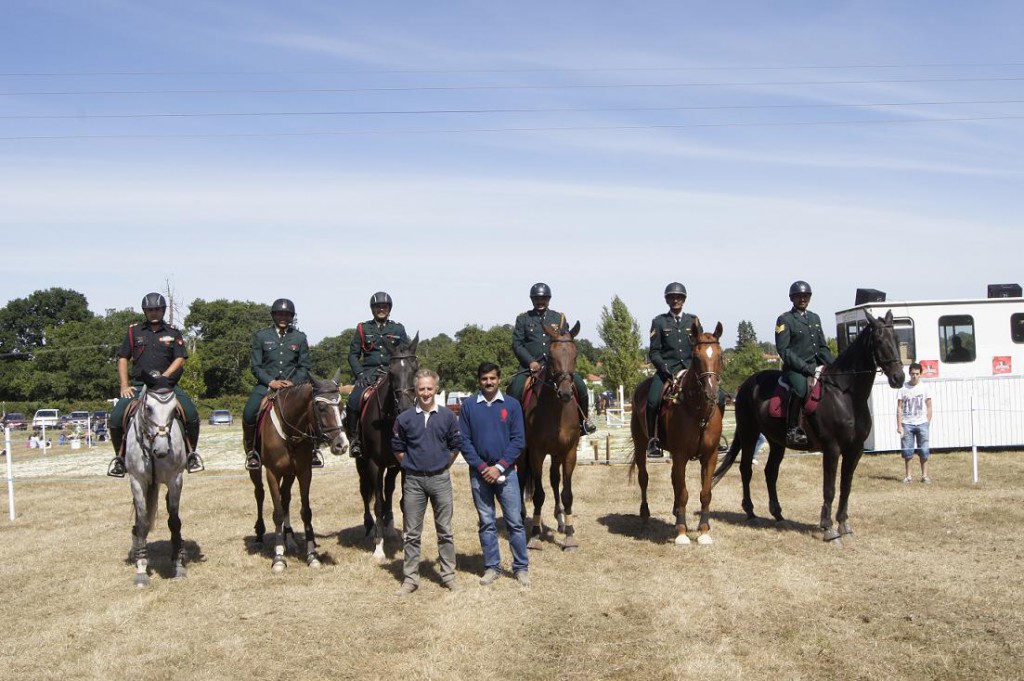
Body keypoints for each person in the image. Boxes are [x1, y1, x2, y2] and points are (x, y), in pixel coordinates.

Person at [107, 292, 202, 477]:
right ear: (145, 311)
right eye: (150, 310)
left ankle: (191, 455)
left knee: (191, 413)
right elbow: (122, 358)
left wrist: (164, 377)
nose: (154, 313)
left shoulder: (173, 332)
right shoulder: (134, 332)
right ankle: (119, 459)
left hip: (167, 386)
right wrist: (124, 386)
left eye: (157, 309)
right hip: (138, 385)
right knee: (117, 416)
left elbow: (180, 359)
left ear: (163, 310)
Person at [390, 369, 462, 595]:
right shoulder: (404, 419)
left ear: (436, 389)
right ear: (415, 391)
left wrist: (442, 466)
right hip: (413, 482)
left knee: (445, 531)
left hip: (440, 479)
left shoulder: (448, 416)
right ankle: (410, 578)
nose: (426, 393)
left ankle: (448, 575)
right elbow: (397, 448)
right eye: (421, 389)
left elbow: (455, 446)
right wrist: (411, 465)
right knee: (411, 533)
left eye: (429, 388)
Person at [459, 362, 529, 588]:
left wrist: (499, 467)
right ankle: (492, 567)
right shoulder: (469, 406)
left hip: (506, 473)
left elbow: (518, 440)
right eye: (484, 379)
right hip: (479, 474)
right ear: (478, 381)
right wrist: (482, 467)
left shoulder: (512, 405)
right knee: (487, 522)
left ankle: (521, 568)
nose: (488, 382)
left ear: (499, 379)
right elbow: (464, 441)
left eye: (492, 378)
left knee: (515, 522)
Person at [509, 282, 596, 435]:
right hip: (530, 367)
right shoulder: (523, 319)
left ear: (549, 299)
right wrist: (530, 361)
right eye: (537, 299)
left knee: (581, 387)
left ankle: (584, 422)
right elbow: (517, 345)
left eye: (543, 299)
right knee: (515, 390)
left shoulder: (559, 318)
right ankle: (514, 428)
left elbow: (566, 341)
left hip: (558, 367)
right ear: (532, 300)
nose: (540, 302)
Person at [242, 298, 316, 471]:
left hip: (293, 387)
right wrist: (271, 382)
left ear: (291, 317)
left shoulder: (299, 337)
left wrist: (294, 382)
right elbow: (256, 366)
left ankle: (314, 450)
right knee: (249, 412)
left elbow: (304, 366)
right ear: (273, 315)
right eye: (279, 313)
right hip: (267, 385)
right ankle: (252, 451)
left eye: (287, 314)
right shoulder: (261, 336)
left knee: (315, 409)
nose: (283, 317)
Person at [345, 291, 410, 457]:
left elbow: (405, 352)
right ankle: (355, 440)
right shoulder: (363, 328)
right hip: (368, 374)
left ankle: (412, 437)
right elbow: (353, 355)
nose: (382, 309)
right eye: (378, 306)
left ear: (389, 309)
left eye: (385, 306)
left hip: (391, 374)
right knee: (353, 400)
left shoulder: (398, 328)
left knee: (406, 400)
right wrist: (360, 374)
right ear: (372, 309)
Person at [775, 280, 835, 448]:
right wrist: (805, 367)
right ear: (792, 298)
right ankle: (793, 429)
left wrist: (835, 365)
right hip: (795, 369)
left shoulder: (815, 318)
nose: (803, 299)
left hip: (815, 367)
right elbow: (784, 350)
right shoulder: (785, 319)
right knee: (801, 389)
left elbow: (822, 347)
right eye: (799, 296)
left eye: (806, 296)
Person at [644, 282, 699, 457]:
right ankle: (653, 440)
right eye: (672, 297)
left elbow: (700, 347)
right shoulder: (659, 322)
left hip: (691, 370)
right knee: (652, 400)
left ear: (684, 300)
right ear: (667, 300)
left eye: (679, 297)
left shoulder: (693, 320)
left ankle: (715, 437)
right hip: (667, 370)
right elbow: (654, 351)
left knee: (717, 396)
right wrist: (663, 366)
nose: (675, 300)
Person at [897, 362, 933, 484]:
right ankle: (908, 476)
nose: (915, 376)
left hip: (922, 423)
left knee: (924, 450)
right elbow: (899, 408)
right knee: (908, 451)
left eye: (917, 374)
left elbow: (929, 406)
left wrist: (927, 421)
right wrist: (899, 425)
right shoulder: (903, 388)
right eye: (912, 374)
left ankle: (925, 476)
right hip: (907, 423)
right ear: (909, 374)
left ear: (920, 374)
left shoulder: (925, 388)